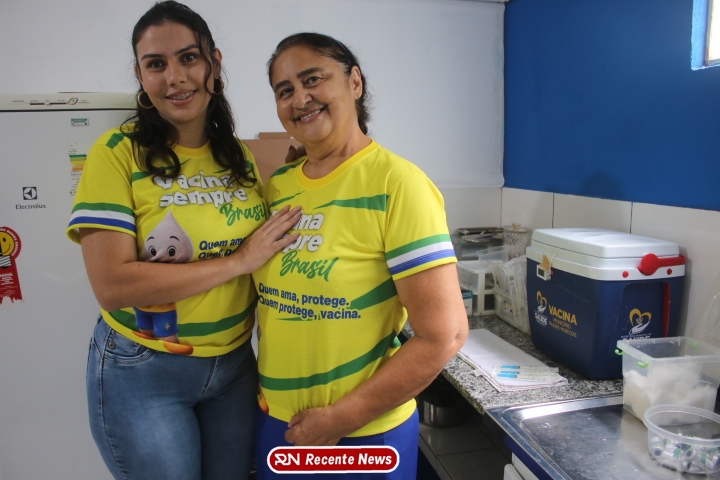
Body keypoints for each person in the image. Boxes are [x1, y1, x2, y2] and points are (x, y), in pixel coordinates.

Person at [65, 2, 302, 479]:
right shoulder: (116, 154)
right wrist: (238, 262)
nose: (175, 77)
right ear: (141, 76)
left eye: (188, 58)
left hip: (234, 366)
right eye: (156, 64)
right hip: (145, 370)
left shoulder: (237, 157)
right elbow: (113, 285)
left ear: (214, 62)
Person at [253, 33, 469, 479]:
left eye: (313, 79)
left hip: (360, 434)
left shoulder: (398, 185)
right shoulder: (279, 187)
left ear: (355, 82)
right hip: (279, 423)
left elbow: (443, 335)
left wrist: (339, 420)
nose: (300, 98)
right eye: (284, 90)